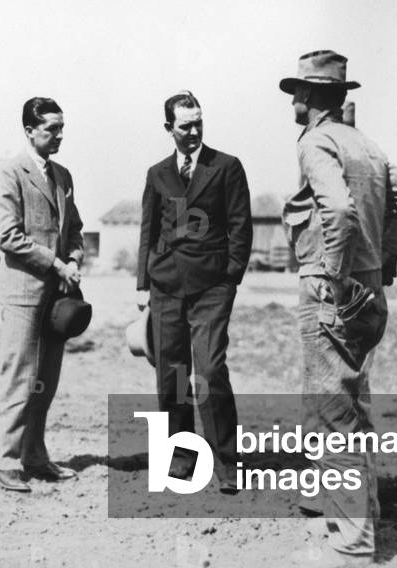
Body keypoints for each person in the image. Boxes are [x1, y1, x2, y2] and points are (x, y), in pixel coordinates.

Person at [279, 50, 397, 566]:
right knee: (347, 401)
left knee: (336, 411)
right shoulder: (366, 145)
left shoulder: (316, 141)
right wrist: (380, 257)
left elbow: (339, 208)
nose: (294, 99)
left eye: (299, 90)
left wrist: (338, 274)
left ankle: (354, 539)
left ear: (312, 98)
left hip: (334, 286)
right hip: (367, 289)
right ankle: (336, 502)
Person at [136, 91, 252, 494]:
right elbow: (148, 231)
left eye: (198, 122)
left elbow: (241, 226)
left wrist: (230, 277)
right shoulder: (157, 173)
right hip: (166, 286)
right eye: (184, 125)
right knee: (173, 376)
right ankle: (182, 458)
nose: (193, 131)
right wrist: (142, 285)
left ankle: (228, 464)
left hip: (211, 288)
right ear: (169, 128)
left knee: (207, 370)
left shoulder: (226, 167)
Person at [0, 97, 84, 492]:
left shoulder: (62, 175)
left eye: (62, 128)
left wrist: (75, 259)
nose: (59, 135)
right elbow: (7, 236)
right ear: (29, 130)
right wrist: (55, 263)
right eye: (51, 129)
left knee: (46, 379)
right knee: (19, 377)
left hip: (58, 295)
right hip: (24, 293)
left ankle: (35, 456)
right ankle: (5, 461)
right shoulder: (9, 173)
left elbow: (74, 228)